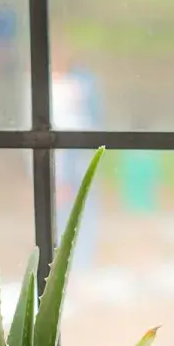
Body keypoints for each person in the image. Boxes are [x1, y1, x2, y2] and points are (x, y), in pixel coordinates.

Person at [52, 45, 104, 268]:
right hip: (64, 151)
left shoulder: (78, 83)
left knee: (82, 203)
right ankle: (69, 257)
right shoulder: (62, 86)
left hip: (75, 149)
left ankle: (80, 259)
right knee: (66, 205)